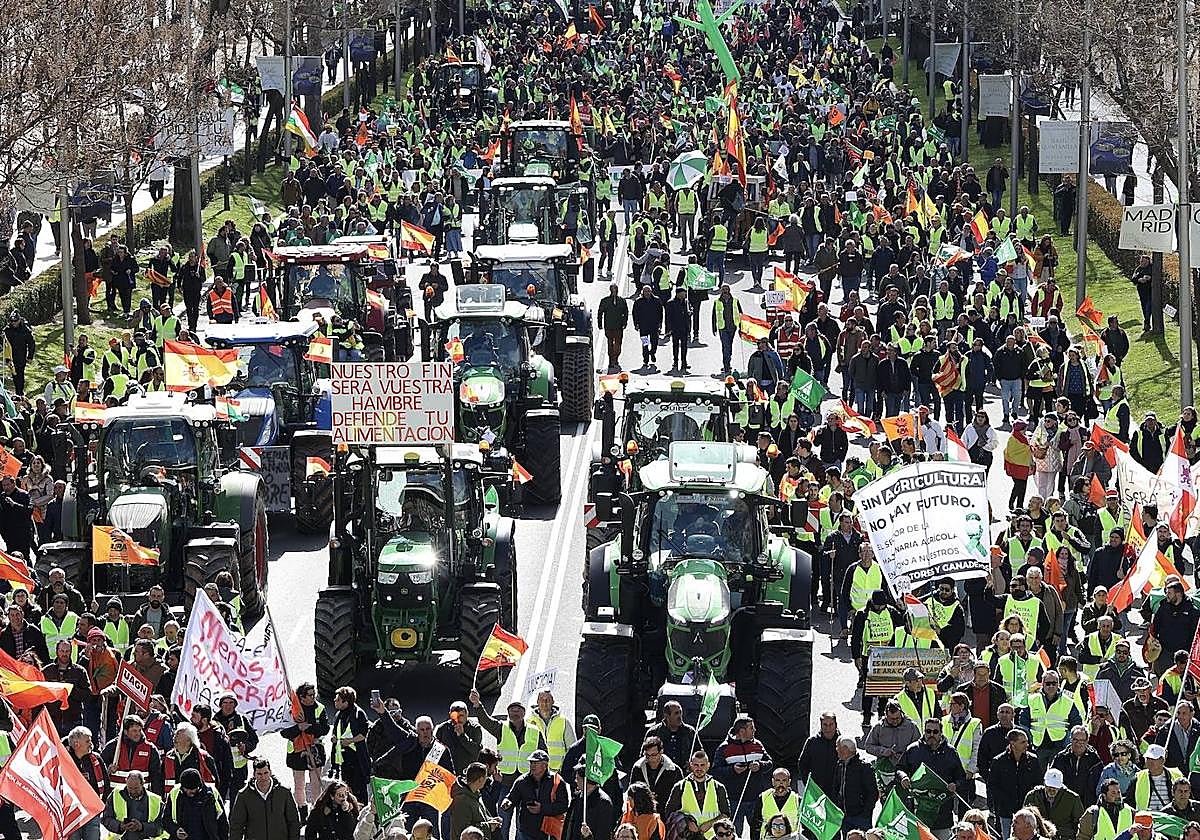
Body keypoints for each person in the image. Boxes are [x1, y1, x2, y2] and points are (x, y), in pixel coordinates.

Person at [896, 718, 967, 834]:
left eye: (935, 732)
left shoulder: (951, 752)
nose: (931, 735)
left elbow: (961, 777)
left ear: (941, 733)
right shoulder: (913, 749)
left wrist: (955, 785)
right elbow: (900, 768)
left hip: (943, 815)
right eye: (928, 731)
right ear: (924, 732)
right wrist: (903, 777)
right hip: (917, 814)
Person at [500, 749, 570, 840]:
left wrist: (542, 808)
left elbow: (563, 806)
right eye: (531, 763)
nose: (532, 766)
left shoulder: (557, 781)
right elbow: (512, 798)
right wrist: (507, 802)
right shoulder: (522, 781)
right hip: (526, 831)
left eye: (535, 763)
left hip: (548, 832)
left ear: (545, 765)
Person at [988, 728, 1043, 839]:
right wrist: (1003, 800)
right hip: (1006, 811)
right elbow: (992, 785)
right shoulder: (999, 761)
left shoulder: (1033, 760)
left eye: (1027, 741)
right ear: (1012, 744)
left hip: (1027, 812)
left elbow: (1038, 782)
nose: (1027, 745)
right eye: (1023, 742)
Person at [229, 758, 301, 840]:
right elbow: (236, 826)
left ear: (270, 772)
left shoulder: (284, 793)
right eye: (259, 774)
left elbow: (293, 821)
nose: (263, 777)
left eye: (266, 773)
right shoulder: (244, 796)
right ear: (254, 774)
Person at [665, 751, 731, 837]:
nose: (699, 768)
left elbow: (726, 814)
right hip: (688, 836)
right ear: (691, 765)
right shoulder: (680, 787)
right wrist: (687, 822)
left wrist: (710, 824)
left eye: (702, 765)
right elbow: (669, 813)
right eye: (696, 765)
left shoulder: (718, 787)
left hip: (712, 836)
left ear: (708, 765)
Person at [163, 768, 227, 840]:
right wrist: (176, 830)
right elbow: (166, 820)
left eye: (191, 791)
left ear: (199, 787)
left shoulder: (211, 793)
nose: (188, 792)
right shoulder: (175, 793)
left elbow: (223, 822)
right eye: (185, 789)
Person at [831, 736, 877, 833]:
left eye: (838, 747)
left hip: (860, 817)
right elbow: (836, 787)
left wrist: (865, 813)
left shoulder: (864, 767)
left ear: (845, 749)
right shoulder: (840, 764)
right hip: (844, 814)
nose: (836, 750)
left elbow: (872, 793)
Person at [1023, 768, 1084, 840]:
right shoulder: (1032, 796)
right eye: (1049, 787)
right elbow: (1023, 819)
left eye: (1055, 787)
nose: (1052, 790)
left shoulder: (1073, 798)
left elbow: (1080, 823)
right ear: (1044, 783)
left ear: (1061, 786)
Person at [102, 769, 163, 840]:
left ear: (143, 783)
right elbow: (106, 819)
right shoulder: (115, 794)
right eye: (130, 788)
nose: (133, 791)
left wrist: (142, 826)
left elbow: (161, 827)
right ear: (126, 782)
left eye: (136, 788)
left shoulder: (156, 800)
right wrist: (120, 826)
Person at [449, 763, 502, 840]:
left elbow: (477, 817)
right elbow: (463, 831)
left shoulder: (475, 793)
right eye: (486, 777)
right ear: (480, 779)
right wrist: (488, 826)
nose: (487, 779)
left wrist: (491, 820)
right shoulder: (462, 801)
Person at [564, 762, 616, 840]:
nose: (575, 781)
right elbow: (569, 824)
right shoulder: (577, 797)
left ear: (586, 781)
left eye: (578, 778)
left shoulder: (603, 802)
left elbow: (603, 833)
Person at [748, 769, 800, 840]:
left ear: (789, 782)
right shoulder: (763, 797)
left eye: (784, 780)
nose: (781, 783)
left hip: (790, 838)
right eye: (777, 780)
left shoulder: (797, 799)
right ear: (773, 782)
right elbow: (755, 823)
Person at [597, 283, 629, 371]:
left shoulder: (622, 301)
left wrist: (625, 323)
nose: (614, 291)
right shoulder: (605, 301)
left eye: (615, 289)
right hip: (609, 326)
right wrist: (600, 324)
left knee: (618, 344)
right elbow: (600, 312)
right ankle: (611, 360)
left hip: (619, 326)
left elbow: (626, 312)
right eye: (613, 289)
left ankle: (616, 358)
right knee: (610, 343)